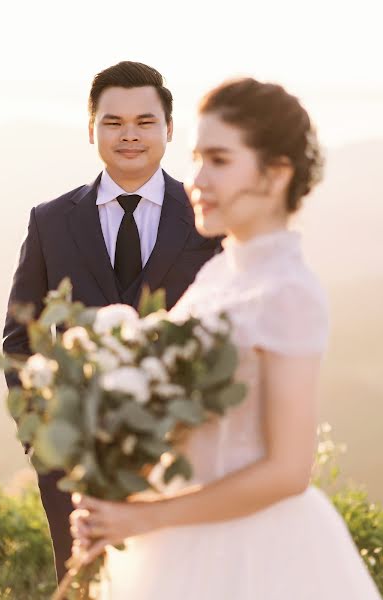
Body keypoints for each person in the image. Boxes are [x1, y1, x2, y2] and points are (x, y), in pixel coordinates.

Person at [70, 77, 381, 599]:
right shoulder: (220, 275)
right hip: (176, 541)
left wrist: (147, 517)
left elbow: (288, 472)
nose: (195, 179)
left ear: (276, 173)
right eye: (195, 158)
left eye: (218, 160)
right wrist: (118, 492)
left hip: (257, 555)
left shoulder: (290, 292)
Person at [2, 61, 220, 582]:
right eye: (113, 122)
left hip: (180, 462)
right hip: (73, 466)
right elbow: (21, 336)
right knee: (82, 586)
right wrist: (43, 436)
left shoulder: (208, 219)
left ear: (168, 128)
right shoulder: (51, 220)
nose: (129, 135)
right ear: (91, 128)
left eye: (144, 122)